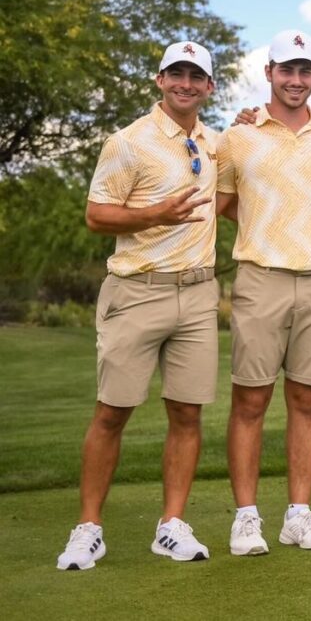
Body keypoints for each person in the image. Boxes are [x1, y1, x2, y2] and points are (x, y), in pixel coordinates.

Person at [57, 41, 219, 570]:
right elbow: (96, 216)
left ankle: (171, 526)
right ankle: (88, 529)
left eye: (196, 76)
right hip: (137, 291)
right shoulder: (127, 142)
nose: (186, 84)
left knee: (187, 412)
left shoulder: (218, 144)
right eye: (177, 74)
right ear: (160, 79)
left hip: (197, 294)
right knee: (112, 413)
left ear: (209, 87)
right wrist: (156, 215)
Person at [216, 29, 311, 555]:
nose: (295, 80)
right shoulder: (239, 136)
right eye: (286, 70)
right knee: (250, 399)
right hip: (261, 276)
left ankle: (299, 513)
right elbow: (226, 201)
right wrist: (263, 227)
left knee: (307, 398)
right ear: (269, 72)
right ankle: (246, 517)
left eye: (305, 70)